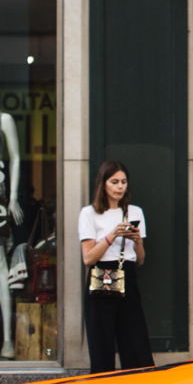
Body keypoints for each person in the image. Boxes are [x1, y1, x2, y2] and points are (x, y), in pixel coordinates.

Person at [79, 159, 153, 372]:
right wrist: (113, 235)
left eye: (123, 182)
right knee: (101, 344)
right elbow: (88, 258)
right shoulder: (89, 213)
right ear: (103, 184)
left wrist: (137, 240)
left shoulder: (134, 212)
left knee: (135, 342)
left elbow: (140, 260)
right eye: (114, 182)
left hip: (126, 275)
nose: (120, 186)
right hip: (101, 275)